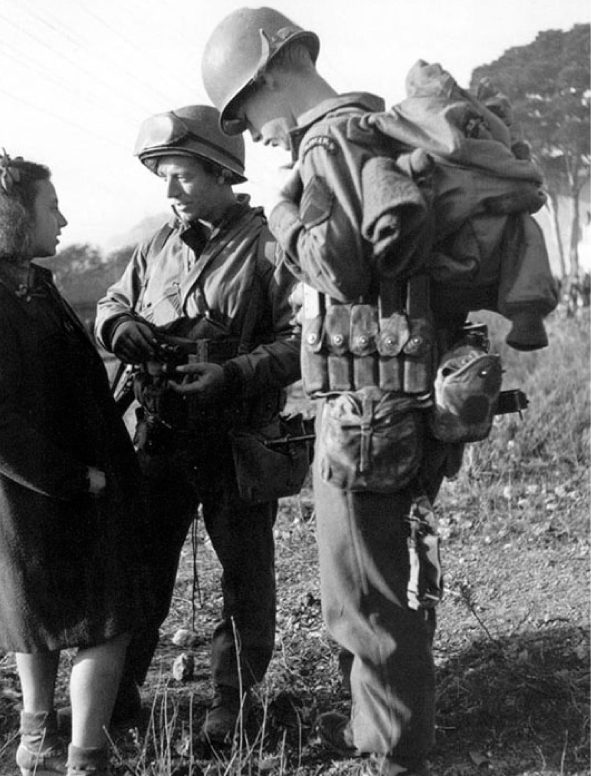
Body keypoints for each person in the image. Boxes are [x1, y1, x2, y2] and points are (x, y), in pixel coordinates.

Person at [201, 9, 468, 775]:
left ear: (273, 72)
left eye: (246, 110)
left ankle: (393, 755)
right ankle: (370, 725)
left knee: (369, 598)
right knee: (380, 582)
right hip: (395, 407)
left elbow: (341, 268)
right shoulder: (370, 127)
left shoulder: (329, 139)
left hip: (366, 419)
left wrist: (281, 210)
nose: (252, 134)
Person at [94, 104, 301, 745]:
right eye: (163, 176)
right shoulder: (156, 243)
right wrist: (121, 327)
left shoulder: (269, 244)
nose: (170, 189)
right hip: (161, 438)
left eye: (181, 175)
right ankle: (118, 697)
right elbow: (112, 301)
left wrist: (236, 373)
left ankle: (230, 705)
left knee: (245, 578)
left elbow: (305, 338)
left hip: (235, 439)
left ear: (219, 173)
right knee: (141, 568)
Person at [0, 151, 146, 776]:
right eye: (52, 206)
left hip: (45, 501)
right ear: (15, 216)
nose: (63, 218)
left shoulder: (29, 285)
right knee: (104, 624)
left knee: (43, 623)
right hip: (46, 499)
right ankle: (86, 760)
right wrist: (75, 477)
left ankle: (38, 745)